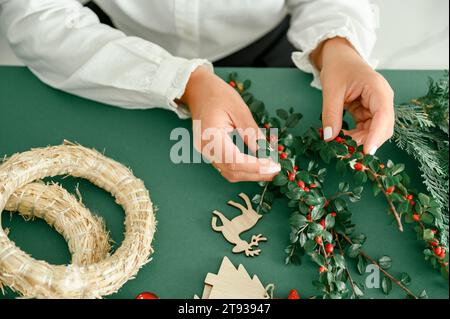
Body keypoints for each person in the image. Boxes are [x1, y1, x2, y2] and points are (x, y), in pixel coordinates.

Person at [0, 0, 394, 183]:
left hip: (270, 48)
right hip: (114, 53)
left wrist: (339, 45)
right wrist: (182, 81)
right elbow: (35, 14)